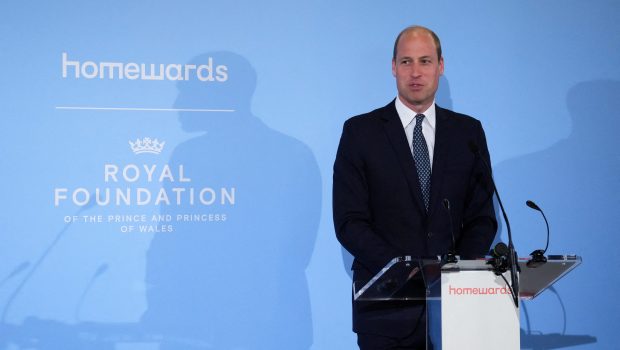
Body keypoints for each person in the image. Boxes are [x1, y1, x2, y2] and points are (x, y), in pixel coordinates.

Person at [332, 25, 497, 349]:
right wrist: (406, 269)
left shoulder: (468, 132)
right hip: (386, 310)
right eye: (406, 62)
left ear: (440, 66)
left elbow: (483, 216)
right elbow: (349, 222)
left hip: (457, 307)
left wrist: (452, 272)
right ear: (393, 67)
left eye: (425, 61)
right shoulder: (360, 132)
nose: (416, 72)